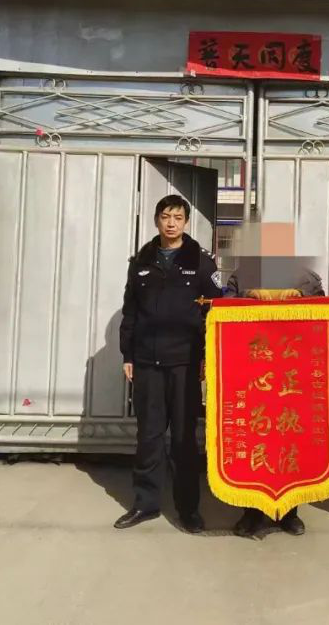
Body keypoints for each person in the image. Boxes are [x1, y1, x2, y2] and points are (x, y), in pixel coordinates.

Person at [114, 195, 222, 534]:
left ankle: (188, 509)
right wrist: (128, 355)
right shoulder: (141, 261)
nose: (171, 223)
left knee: (184, 440)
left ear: (186, 222)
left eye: (177, 217)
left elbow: (215, 312)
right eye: (165, 216)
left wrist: (208, 357)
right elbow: (131, 311)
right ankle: (145, 504)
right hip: (147, 362)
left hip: (185, 364)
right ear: (157, 220)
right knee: (149, 436)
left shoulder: (201, 262)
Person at [223, 223, 323, 539]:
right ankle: (251, 512)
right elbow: (222, 310)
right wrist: (248, 297)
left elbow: (324, 317)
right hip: (253, 373)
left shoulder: (307, 279)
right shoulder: (241, 277)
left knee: (289, 441)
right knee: (256, 440)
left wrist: (300, 298)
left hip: (291, 375)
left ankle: (289, 512)